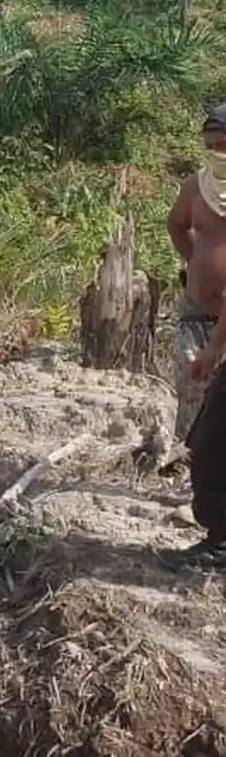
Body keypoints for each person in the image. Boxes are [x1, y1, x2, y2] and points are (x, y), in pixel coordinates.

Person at [161, 102, 226, 566]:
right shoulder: (197, 188)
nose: (217, 153)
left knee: (214, 432)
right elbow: (177, 225)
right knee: (203, 424)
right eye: (210, 146)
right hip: (200, 317)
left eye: (224, 145)